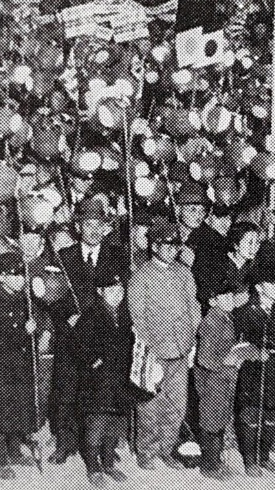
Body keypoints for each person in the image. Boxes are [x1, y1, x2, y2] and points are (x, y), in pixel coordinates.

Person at [45, 195, 127, 464]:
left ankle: (105, 445)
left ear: (106, 227)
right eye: (88, 224)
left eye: (99, 225)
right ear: (78, 227)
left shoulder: (118, 255)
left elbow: (123, 296)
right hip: (71, 336)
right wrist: (66, 318)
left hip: (103, 337)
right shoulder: (63, 256)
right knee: (67, 390)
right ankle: (65, 443)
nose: (94, 230)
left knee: (103, 391)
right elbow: (52, 295)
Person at [126, 220, 200, 470]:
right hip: (154, 350)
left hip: (181, 348)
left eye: (175, 245)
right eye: (165, 244)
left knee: (177, 402)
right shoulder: (141, 275)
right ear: (154, 246)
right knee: (150, 402)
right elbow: (138, 317)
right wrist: (150, 350)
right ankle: (146, 451)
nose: (170, 249)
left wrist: (192, 340)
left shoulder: (184, 273)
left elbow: (194, 308)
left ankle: (167, 449)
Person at [0, 251, 48, 476]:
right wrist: (22, 332)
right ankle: (0, 460)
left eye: (22, 274)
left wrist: (37, 328)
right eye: (14, 275)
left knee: (20, 408)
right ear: (1, 277)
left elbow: (39, 317)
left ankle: (15, 451)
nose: (20, 278)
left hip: (22, 366)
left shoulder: (24, 299)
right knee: (0, 414)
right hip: (0, 370)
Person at [233, 244, 275, 476]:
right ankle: (250, 460)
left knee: (272, 413)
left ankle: (264, 456)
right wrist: (253, 351)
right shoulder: (245, 310)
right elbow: (237, 342)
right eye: (273, 284)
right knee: (252, 413)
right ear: (260, 287)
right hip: (254, 369)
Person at [70, 271, 136, 487]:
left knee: (114, 424)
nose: (117, 294)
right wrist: (94, 362)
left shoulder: (125, 316)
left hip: (119, 382)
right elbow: (77, 346)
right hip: (97, 384)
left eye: (120, 290)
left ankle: (108, 463)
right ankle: (93, 467)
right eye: (112, 290)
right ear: (100, 291)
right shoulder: (91, 316)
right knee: (96, 426)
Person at [194, 276, 250, 480]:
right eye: (224, 297)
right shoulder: (212, 321)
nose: (230, 300)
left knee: (219, 420)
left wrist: (237, 356)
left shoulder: (225, 317)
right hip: (213, 381)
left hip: (224, 379)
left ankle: (216, 461)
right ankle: (209, 467)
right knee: (211, 422)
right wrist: (229, 359)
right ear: (212, 301)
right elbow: (205, 359)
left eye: (231, 296)